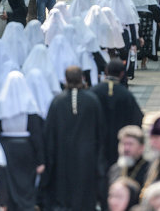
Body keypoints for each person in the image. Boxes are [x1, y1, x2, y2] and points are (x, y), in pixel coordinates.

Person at [42, 66, 106, 210]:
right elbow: (100, 131)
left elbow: (49, 133)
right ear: (82, 78)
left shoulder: (57, 102)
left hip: (62, 156)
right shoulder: (92, 100)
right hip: (87, 156)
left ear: (65, 79)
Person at [0, 71, 44, 210]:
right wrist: (41, 159)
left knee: (10, 184)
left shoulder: (0, 103)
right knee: (26, 184)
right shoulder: (29, 103)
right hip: (26, 149)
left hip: (7, 149)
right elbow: (36, 134)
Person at [91, 59, 144, 169]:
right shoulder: (126, 95)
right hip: (119, 143)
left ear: (105, 71)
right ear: (122, 73)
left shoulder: (93, 92)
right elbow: (138, 118)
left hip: (97, 143)